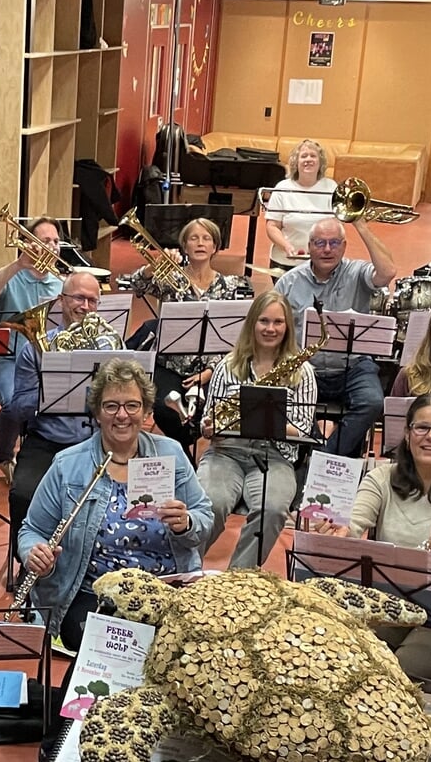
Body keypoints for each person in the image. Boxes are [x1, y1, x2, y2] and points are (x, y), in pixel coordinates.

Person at [19, 360, 212, 651]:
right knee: (119, 651)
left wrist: (187, 523)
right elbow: (31, 530)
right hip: (95, 595)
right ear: (97, 413)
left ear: (146, 411)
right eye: (111, 406)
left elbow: (204, 516)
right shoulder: (68, 464)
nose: (122, 415)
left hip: (168, 589)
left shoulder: (171, 453)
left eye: (132, 405)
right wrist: (33, 554)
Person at [327, 393, 431, 692]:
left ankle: (427, 711)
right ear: (407, 434)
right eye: (421, 427)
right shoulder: (382, 477)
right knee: (342, 655)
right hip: (391, 605)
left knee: (400, 672)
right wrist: (339, 532)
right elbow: (354, 522)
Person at [197, 292, 316, 568]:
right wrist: (210, 427)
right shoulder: (227, 366)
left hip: (274, 456)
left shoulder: (303, 371)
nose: (270, 329)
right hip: (226, 452)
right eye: (264, 321)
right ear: (252, 323)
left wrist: (263, 420)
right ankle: (186, 567)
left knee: (272, 509)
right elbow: (208, 421)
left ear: (287, 327)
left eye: (278, 322)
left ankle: (238, 578)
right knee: (210, 504)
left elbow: (303, 427)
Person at [3, 270, 123, 531]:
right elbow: (18, 408)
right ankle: (26, 553)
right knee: (23, 495)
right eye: (79, 298)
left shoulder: (109, 348)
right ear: (61, 300)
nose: (85, 306)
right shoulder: (34, 350)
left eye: (92, 301)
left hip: (98, 442)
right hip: (47, 442)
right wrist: (52, 388)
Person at [120, 216, 254, 445]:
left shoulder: (231, 286)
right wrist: (152, 267)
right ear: (184, 246)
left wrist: (210, 371)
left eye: (206, 238)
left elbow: (237, 338)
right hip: (171, 365)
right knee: (164, 409)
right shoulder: (170, 278)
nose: (200, 243)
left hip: (213, 367)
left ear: (215, 246)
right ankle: (182, 448)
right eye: (193, 238)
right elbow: (134, 285)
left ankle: (189, 448)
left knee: (217, 408)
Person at [274, 216, 397, 459]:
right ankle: (316, 454)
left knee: (373, 402)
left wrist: (360, 225)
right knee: (280, 402)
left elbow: (388, 272)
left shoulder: (357, 272)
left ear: (344, 246)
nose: (327, 249)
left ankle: (323, 456)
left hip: (353, 366)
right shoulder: (289, 282)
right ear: (309, 246)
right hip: (306, 368)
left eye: (334, 243)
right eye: (320, 243)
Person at [0, 216, 70, 473]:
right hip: (6, 360)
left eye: (56, 241)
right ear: (30, 243)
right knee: (14, 401)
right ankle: (4, 456)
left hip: (47, 363)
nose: (52, 246)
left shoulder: (61, 285)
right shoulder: (12, 276)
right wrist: (18, 264)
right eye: (45, 241)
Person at [264, 140, 337, 270]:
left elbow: (337, 226)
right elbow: (272, 226)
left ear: (320, 162)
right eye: (304, 156)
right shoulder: (282, 188)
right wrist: (286, 246)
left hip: (322, 263)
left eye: (313, 156)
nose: (308, 159)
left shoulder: (331, 187)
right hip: (286, 262)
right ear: (296, 162)